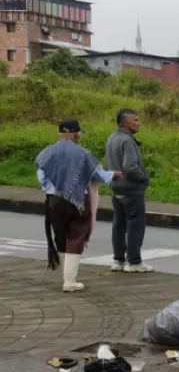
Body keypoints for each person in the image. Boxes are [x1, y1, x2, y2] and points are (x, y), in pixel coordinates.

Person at [35, 120, 122, 292]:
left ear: (60, 134)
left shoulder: (47, 153)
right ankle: (70, 281)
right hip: (77, 202)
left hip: (54, 201)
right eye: (79, 133)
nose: (79, 136)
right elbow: (97, 175)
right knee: (76, 236)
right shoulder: (83, 154)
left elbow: (42, 177)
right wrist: (112, 174)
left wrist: (53, 188)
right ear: (75, 133)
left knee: (61, 236)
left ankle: (66, 278)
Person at [106, 108, 152, 273]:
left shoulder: (112, 138)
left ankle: (118, 260)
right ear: (125, 122)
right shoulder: (128, 141)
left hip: (116, 188)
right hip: (132, 189)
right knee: (135, 225)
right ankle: (134, 261)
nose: (138, 123)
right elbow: (130, 167)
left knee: (119, 224)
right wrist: (144, 178)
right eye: (135, 120)